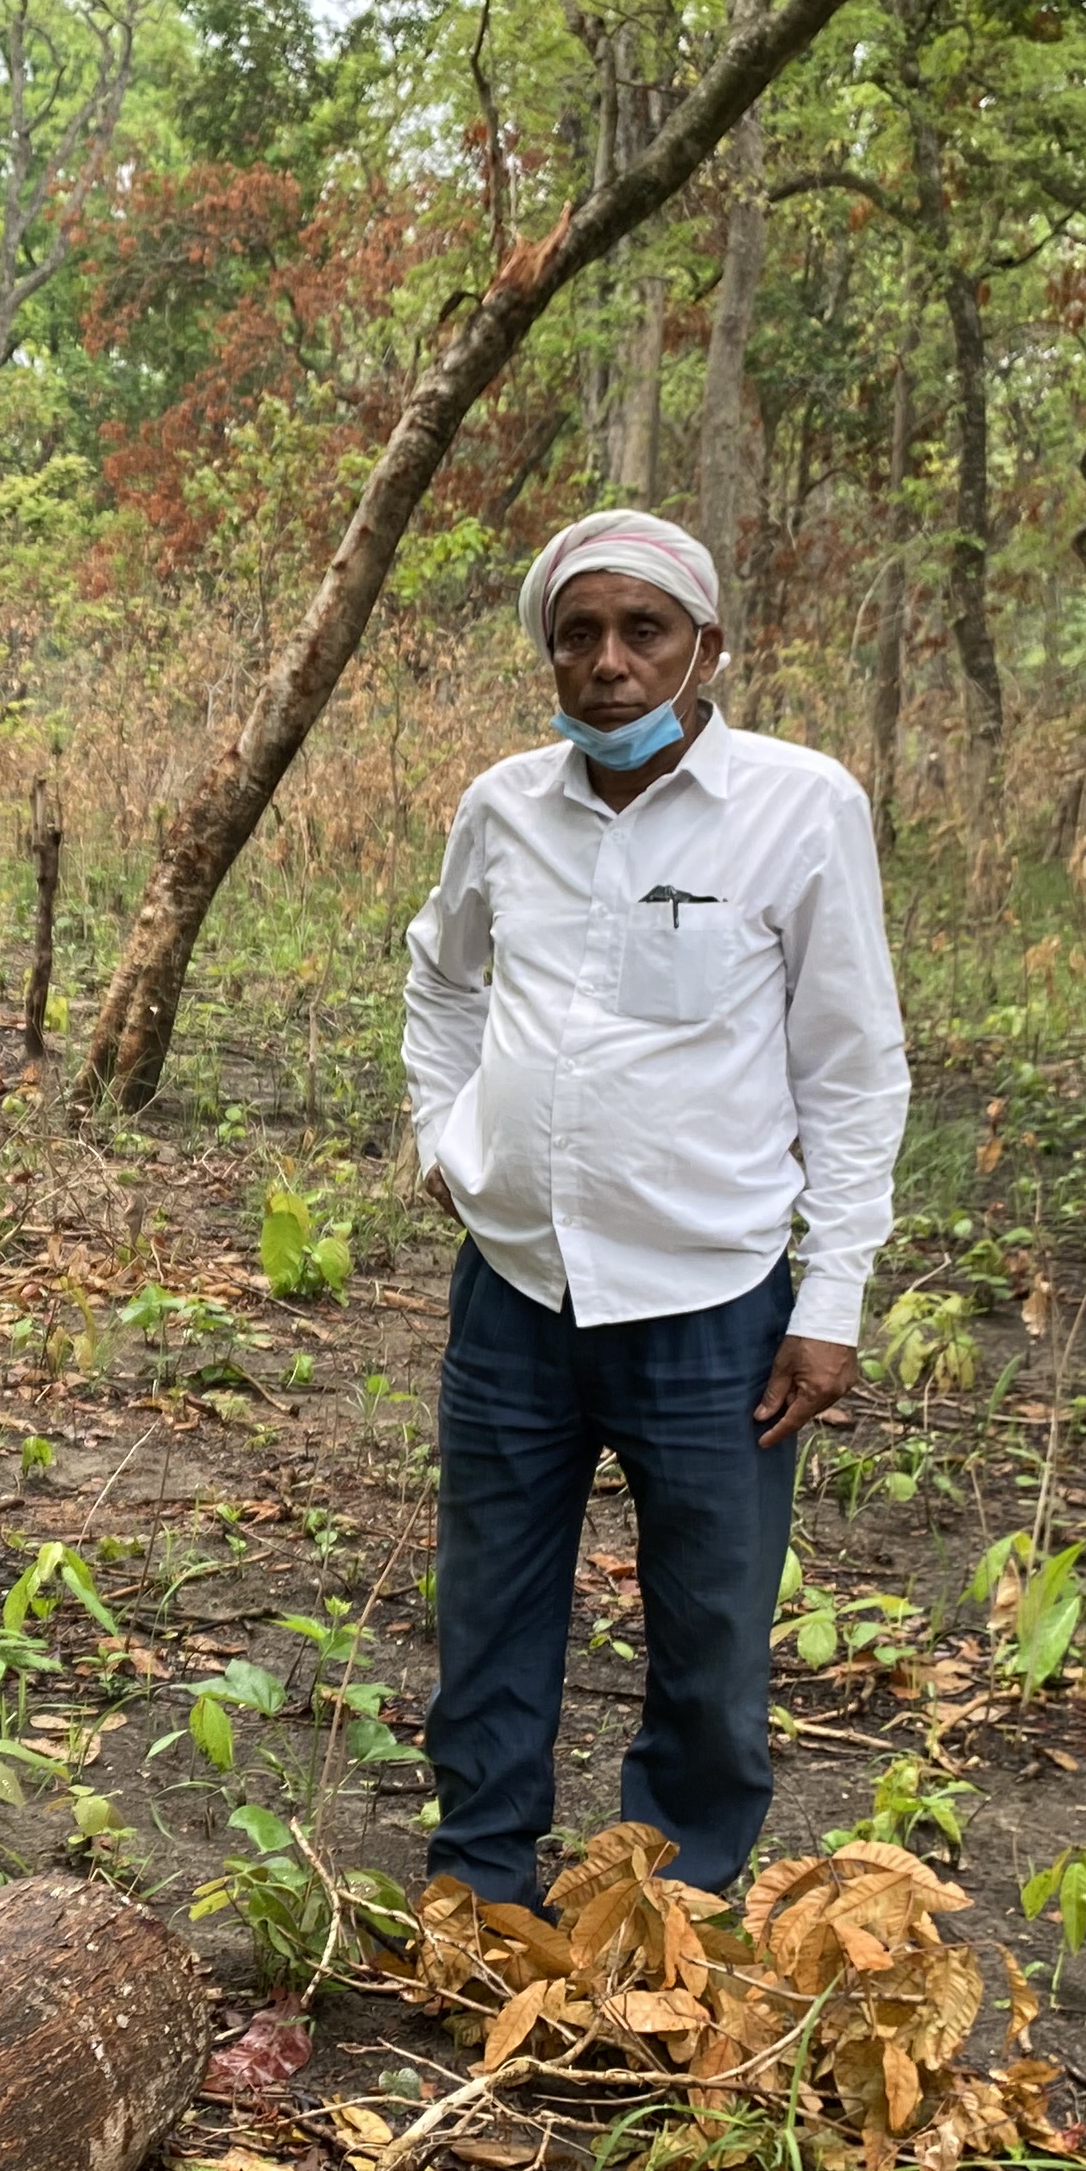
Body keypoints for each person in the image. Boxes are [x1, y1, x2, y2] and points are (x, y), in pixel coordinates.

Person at [401, 508, 909, 1906]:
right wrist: (441, 1130)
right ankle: (481, 1885)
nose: (610, 663)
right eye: (580, 634)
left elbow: (854, 1066)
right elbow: (443, 976)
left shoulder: (801, 808)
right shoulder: (505, 806)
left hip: (713, 1305)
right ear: (549, 656)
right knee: (492, 1600)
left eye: (645, 632)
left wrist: (834, 1298)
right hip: (517, 1289)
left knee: (709, 1630)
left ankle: (668, 1909)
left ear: (709, 651)